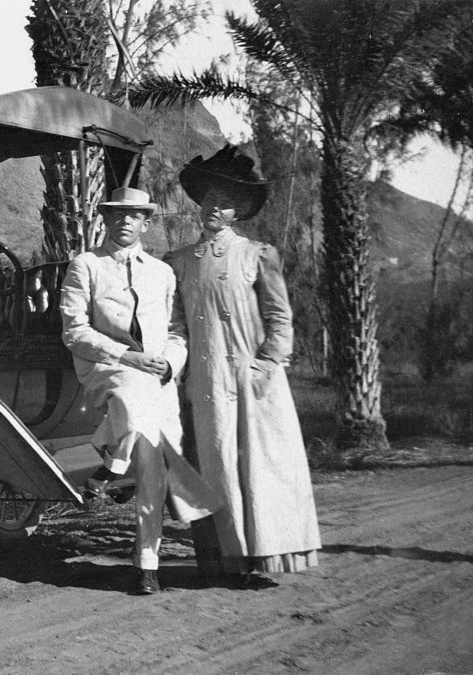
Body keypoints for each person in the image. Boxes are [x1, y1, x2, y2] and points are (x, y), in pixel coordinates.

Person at [165, 145, 321, 589]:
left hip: (253, 381)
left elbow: (279, 318)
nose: (215, 208)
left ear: (238, 211)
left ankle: (261, 558)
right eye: (209, 199)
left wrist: (267, 363)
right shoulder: (178, 263)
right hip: (204, 382)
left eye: (225, 202)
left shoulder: (258, 255)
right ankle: (220, 562)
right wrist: (179, 372)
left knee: (258, 469)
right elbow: (176, 324)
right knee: (212, 466)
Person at [61, 186, 222, 595]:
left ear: (146, 224)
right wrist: (127, 357)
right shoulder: (86, 265)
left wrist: (170, 361)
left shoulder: (161, 272)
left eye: (134, 215)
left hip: (158, 376)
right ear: (106, 219)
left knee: (153, 469)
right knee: (132, 409)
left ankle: (146, 565)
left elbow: (177, 331)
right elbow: (75, 330)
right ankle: (113, 464)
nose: (124, 221)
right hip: (107, 367)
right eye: (117, 214)